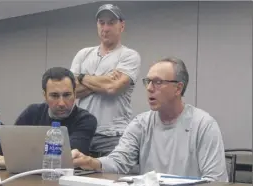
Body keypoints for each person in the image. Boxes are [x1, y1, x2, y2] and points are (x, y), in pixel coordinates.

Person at [71, 57, 229, 182]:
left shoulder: (203, 125)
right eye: (148, 81)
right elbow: (119, 161)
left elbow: (215, 180)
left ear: (178, 88)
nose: (149, 88)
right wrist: (91, 162)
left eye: (158, 82)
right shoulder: (141, 124)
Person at [0, 67, 97, 167]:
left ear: (75, 94)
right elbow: (5, 145)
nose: (61, 103)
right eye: (54, 96)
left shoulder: (86, 120)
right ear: (44, 96)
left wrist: (2, 161)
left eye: (67, 95)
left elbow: (64, 158)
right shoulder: (32, 112)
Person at [71, 4, 141, 157]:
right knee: (77, 178)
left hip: (113, 136)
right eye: (101, 23)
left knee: (110, 179)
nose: (105, 28)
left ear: (121, 26)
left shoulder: (129, 56)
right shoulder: (83, 54)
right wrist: (104, 80)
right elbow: (71, 91)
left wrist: (82, 77)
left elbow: (113, 88)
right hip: (83, 132)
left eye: (111, 23)